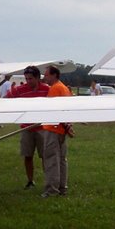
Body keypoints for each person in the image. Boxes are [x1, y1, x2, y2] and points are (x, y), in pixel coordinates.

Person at [6, 66, 50, 188]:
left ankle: (49, 180)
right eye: (26, 79)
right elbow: (5, 100)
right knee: (28, 155)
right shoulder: (20, 90)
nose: (28, 81)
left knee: (45, 156)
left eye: (30, 78)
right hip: (26, 128)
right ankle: (30, 181)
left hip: (42, 128)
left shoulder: (46, 90)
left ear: (37, 78)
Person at [40, 65, 72, 197]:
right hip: (61, 130)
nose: (45, 77)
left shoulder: (55, 88)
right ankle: (62, 187)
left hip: (53, 129)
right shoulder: (64, 88)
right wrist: (68, 127)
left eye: (47, 75)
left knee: (52, 159)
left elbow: (54, 110)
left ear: (54, 75)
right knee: (62, 160)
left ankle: (52, 189)